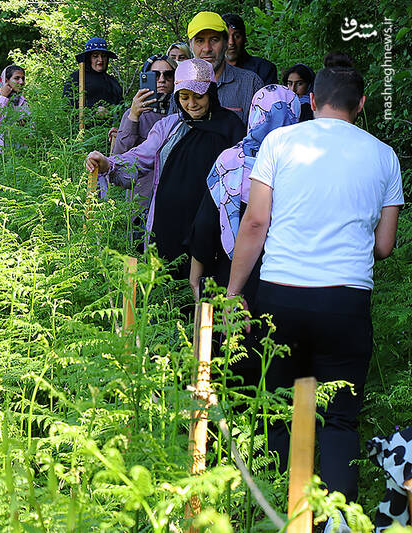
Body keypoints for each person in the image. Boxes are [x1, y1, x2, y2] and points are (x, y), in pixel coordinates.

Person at [226, 66, 403, 521]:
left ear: (311, 101)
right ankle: (338, 523)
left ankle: (280, 515)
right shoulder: (384, 157)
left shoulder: (279, 144)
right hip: (345, 300)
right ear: (361, 105)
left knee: (279, 407)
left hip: (280, 294)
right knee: (340, 419)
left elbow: (255, 223)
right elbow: (384, 245)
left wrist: (233, 291)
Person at [86, 59, 244, 272]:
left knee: (208, 289)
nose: (192, 104)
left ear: (211, 93)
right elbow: (140, 157)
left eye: (199, 96)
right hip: (166, 226)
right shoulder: (169, 127)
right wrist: (108, 163)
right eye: (184, 97)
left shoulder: (230, 127)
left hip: (212, 225)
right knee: (167, 288)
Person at [189, 84, 300, 304]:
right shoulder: (303, 164)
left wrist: (195, 276)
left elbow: (206, 224)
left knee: (233, 337)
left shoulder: (230, 161)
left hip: (230, 275)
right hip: (288, 279)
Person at [99, 55, 177, 206]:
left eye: (168, 74)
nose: (161, 79)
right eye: (154, 75)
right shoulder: (135, 112)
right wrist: (133, 116)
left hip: (173, 197)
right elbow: (119, 157)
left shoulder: (184, 111)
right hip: (141, 201)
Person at [186, 11, 264, 125]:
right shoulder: (182, 83)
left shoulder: (250, 83)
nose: (207, 48)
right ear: (190, 45)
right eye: (200, 41)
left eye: (214, 40)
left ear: (226, 42)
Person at [63, 37, 123, 113]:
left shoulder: (112, 81)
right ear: (89, 58)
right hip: (85, 123)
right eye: (95, 56)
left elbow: (121, 108)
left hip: (113, 124)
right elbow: (67, 107)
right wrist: (93, 112)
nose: (100, 60)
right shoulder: (76, 78)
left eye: (103, 56)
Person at [0, 65, 29, 154]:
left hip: (18, 152)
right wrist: (3, 97)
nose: (21, 82)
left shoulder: (22, 100)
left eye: (23, 78)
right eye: (17, 78)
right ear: (6, 80)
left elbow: (30, 125)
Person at [221, 13, 278, 85]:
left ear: (244, 38)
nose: (231, 42)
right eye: (226, 37)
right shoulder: (213, 71)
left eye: (237, 36)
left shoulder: (264, 69)